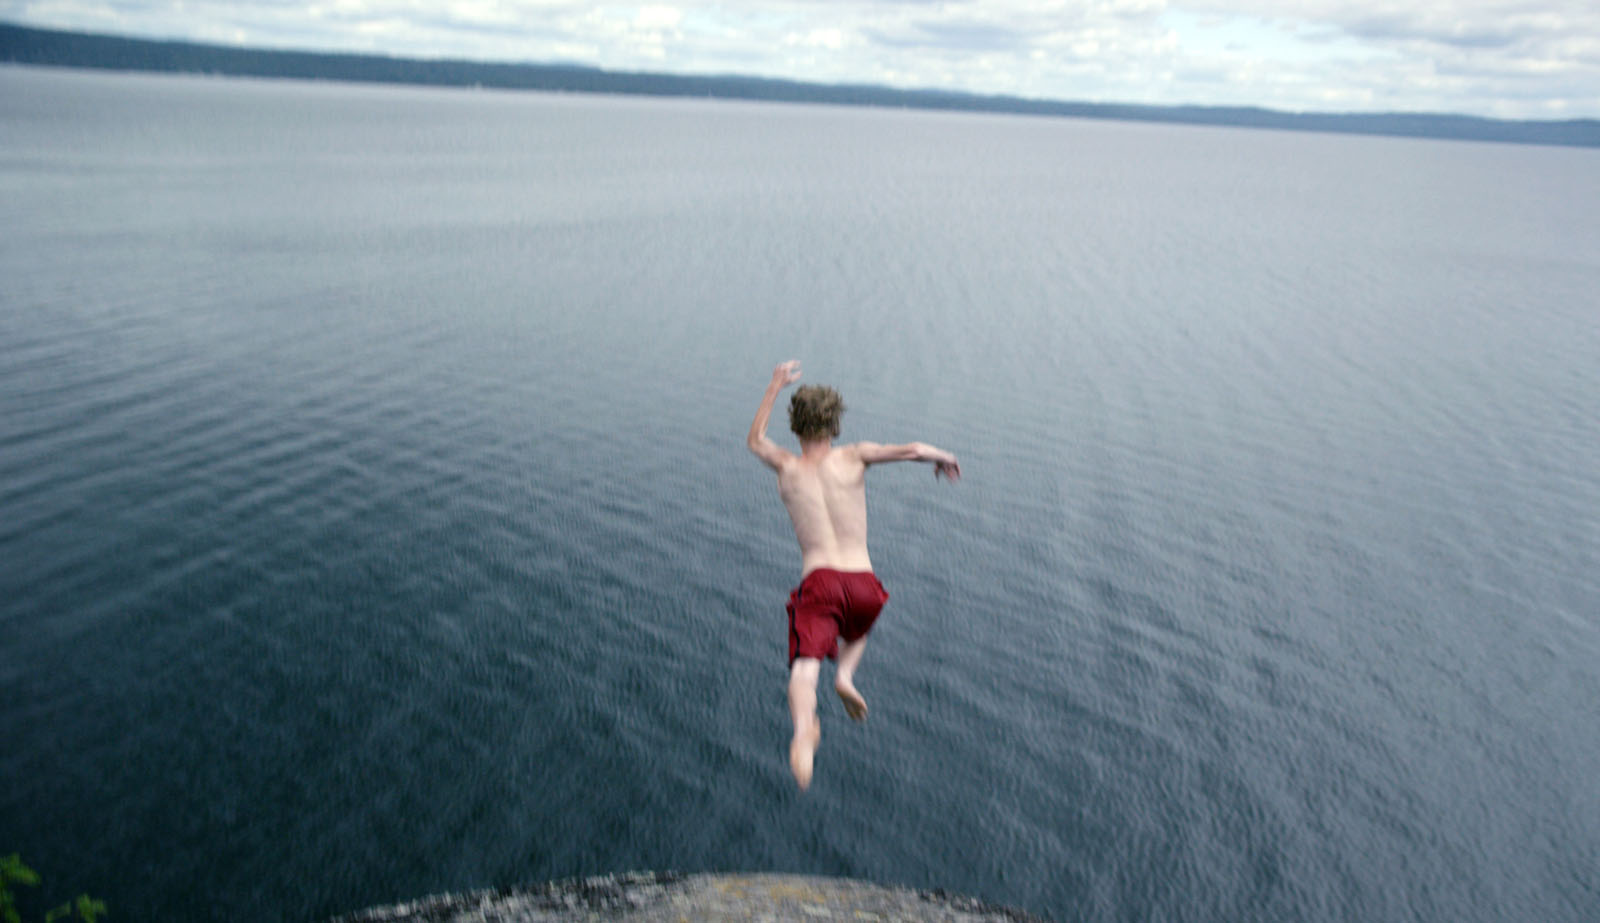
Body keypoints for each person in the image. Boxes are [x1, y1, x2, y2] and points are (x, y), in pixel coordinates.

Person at [747, 359, 961, 791]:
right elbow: (913, 450)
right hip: (865, 586)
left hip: (820, 583)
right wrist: (946, 457)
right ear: (835, 424)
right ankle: (845, 676)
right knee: (856, 631)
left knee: (804, 669)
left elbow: (755, 440)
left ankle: (804, 730)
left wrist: (774, 385)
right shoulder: (855, 455)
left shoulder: (786, 466)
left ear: (796, 426)